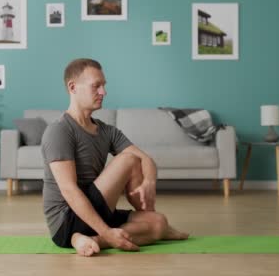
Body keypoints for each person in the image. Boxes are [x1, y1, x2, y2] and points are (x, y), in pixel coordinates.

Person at [41, 58, 189, 257]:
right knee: (129, 160)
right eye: (96, 86)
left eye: (104, 86)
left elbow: (146, 159)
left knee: (158, 222)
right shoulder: (59, 130)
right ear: (73, 87)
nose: (103, 92)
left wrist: (149, 182)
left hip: (94, 212)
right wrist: (107, 230)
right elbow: (68, 190)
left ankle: (90, 240)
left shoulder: (106, 130)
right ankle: (85, 236)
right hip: (66, 220)